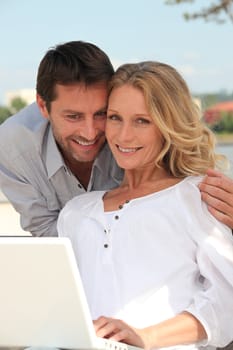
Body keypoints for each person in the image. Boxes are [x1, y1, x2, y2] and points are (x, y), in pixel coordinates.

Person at [57, 61, 233, 350]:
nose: (124, 136)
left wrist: (145, 336)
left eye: (142, 120)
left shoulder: (195, 196)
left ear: (167, 126)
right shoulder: (76, 212)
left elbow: (227, 302)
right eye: (115, 117)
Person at [0, 40, 232, 237]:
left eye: (102, 114)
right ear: (43, 106)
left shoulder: (188, 193)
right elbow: (47, 235)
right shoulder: (12, 146)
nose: (90, 133)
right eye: (73, 116)